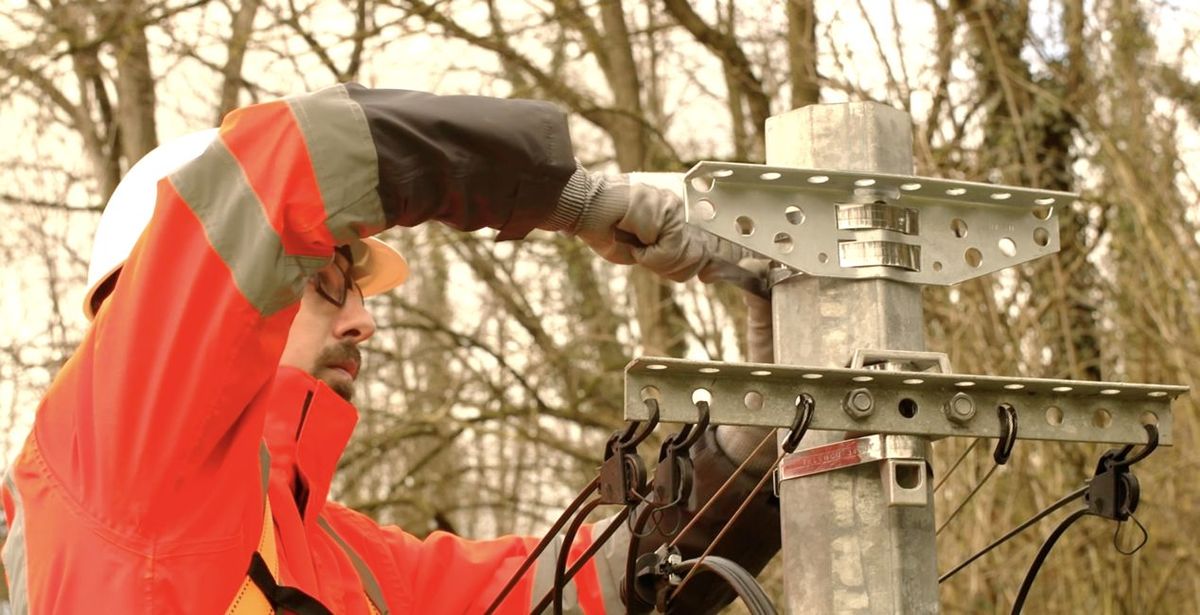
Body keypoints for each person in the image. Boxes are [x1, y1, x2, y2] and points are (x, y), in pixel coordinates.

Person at [1, 84, 779, 614]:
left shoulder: (348, 562)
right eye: (324, 279)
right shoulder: (117, 455)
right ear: (169, 299)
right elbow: (285, 160)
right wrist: (576, 198)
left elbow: (571, 590)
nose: (362, 322)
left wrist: (757, 434)